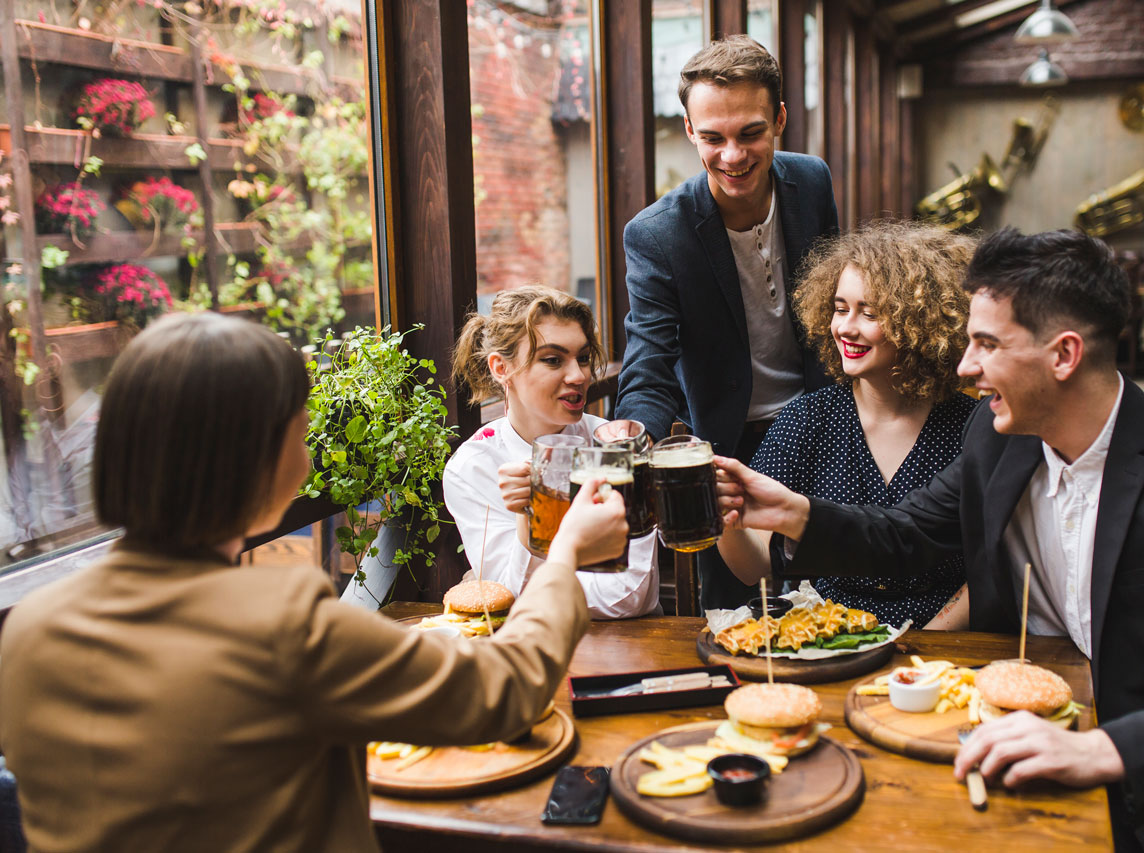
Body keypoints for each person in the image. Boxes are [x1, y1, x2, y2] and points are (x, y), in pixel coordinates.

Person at [714, 227, 1144, 851]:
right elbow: (908, 534)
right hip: (1009, 745)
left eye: (986, 344)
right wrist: (792, 513)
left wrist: (1097, 749)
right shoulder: (997, 437)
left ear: (1063, 356)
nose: (964, 367)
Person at [0, 312, 628, 852]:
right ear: (261, 460)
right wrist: (565, 552)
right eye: (302, 432)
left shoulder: (30, 628)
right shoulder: (282, 620)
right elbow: (506, 691)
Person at [614, 34, 839, 609]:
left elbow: (835, 301)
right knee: (736, 612)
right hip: (727, 447)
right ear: (689, 130)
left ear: (781, 119)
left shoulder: (812, 181)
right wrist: (628, 434)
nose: (732, 155)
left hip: (825, 423)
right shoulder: (655, 235)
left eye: (751, 133)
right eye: (712, 137)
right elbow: (649, 361)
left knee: (840, 591)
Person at [716, 220, 977, 629]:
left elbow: (991, 568)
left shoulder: (971, 427)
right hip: (833, 637)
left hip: (945, 645)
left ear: (921, 323)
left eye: (869, 312)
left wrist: (930, 642)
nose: (845, 328)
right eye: (840, 308)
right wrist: (724, 521)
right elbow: (756, 570)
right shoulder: (808, 420)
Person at [446, 286, 660, 619]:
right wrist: (526, 520)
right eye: (552, 360)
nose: (579, 376)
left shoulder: (614, 447)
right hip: (532, 654)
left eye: (584, 358)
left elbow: (630, 596)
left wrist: (542, 586)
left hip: (635, 647)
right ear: (501, 369)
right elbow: (506, 598)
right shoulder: (472, 468)